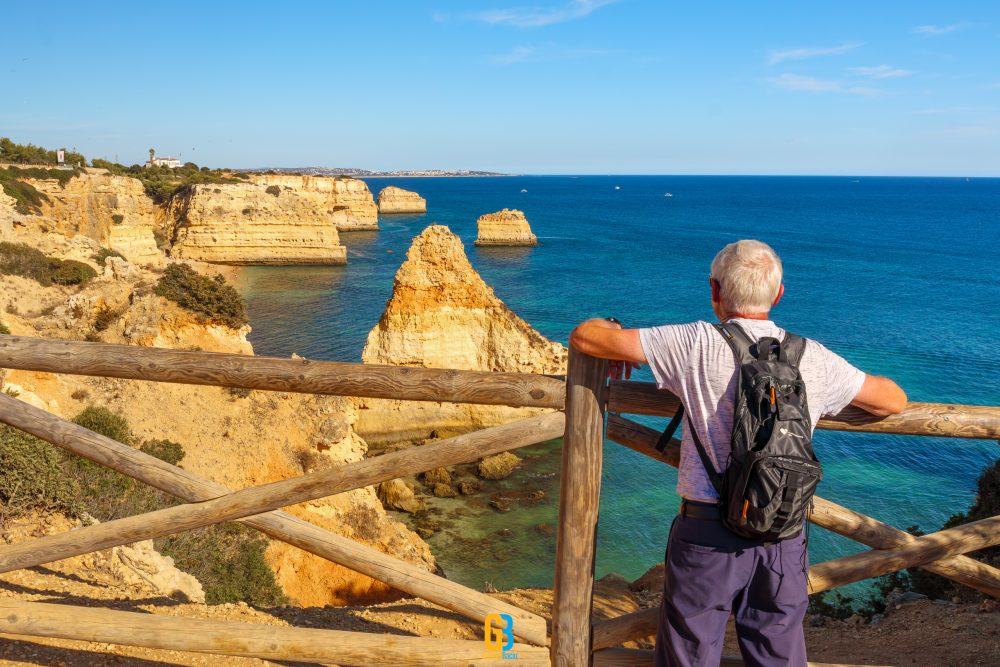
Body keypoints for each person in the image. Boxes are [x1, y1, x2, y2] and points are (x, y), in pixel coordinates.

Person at [568, 239, 907, 667]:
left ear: (715, 289)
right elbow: (892, 400)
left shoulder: (694, 343)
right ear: (778, 294)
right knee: (778, 652)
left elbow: (586, 337)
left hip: (708, 531)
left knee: (690, 652)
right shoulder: (813, 357)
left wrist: (610, 323)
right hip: (784, 532)